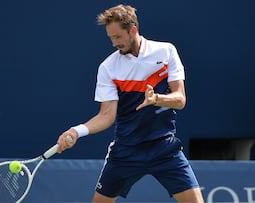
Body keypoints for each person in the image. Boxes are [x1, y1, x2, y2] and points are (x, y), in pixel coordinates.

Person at [57, 4, 204, 203]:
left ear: (133, 30)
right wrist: (76, 131)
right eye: (110, 38)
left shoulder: (166, 51)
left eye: (118, 37)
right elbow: (106, 116)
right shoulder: (108, 68)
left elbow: (180, 99)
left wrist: (157, 99)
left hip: (163, 147)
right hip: (126, 150)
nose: (114, 43)